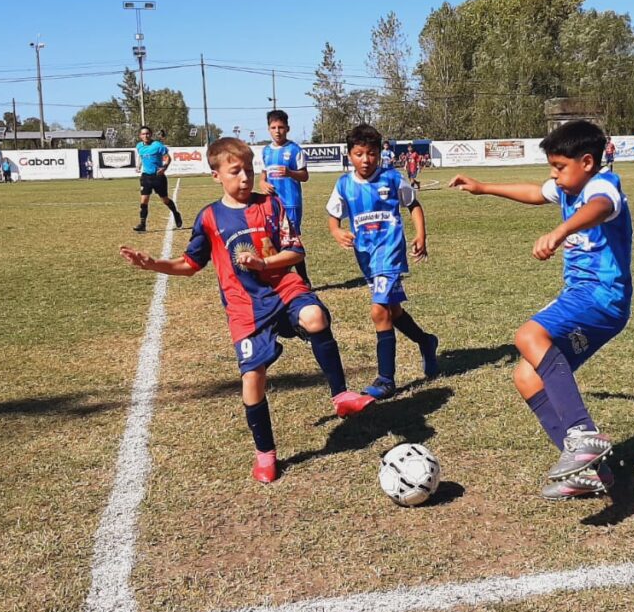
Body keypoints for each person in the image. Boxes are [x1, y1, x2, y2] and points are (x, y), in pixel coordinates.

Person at [120, 138, 374, 483]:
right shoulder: (209, 217)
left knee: (316, 318)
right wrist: (154, 265)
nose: (244, 178)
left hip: (283, 287)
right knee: (253, 380)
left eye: (249, 170)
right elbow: (190, 263)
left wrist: (263, 261)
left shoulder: (271, 205)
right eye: (235, 171)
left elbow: (296, 252)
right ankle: (265, 453)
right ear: (216, 175)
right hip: (245, 306)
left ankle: (341, 395)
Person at [449, 120, 632, 501]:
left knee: (528, 335)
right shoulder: (569, 186)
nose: (554, 175)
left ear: (586, 161)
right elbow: (534, 192)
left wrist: (560, 231)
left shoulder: (602, 186)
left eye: (560, 167)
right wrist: (483, 188)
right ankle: (592, 473)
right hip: (585, 298)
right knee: (528, 378)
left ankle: (583, 435)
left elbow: (600, 208)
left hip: (601, 295)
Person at [327, 124, 439, 399]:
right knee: (393, 312)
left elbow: (413, 205)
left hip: (390, 253)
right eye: (359, 154)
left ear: (379, 154)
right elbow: (333, 215)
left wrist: (421, 235)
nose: (366, 160)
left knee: (379, 312)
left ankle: (386, 379)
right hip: (366, 256)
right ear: (349, 155)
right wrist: (337, 231)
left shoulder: (391, 178)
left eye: (372, 153)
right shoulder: (344, 184)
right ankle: (426, 341)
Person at [260, 110, 311, 286]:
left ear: (287, 128)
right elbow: (263, 173)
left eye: (281, 127)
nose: (277, 131)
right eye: (273, 127)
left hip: (291, 203)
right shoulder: (266, 151)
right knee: (274, 239)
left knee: (290, 240)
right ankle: (282, 278)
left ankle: (303, 279)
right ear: (268, 129)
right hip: (272, 203)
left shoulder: (294, 150)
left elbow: (304, 176)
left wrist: (290, 172)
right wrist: (262, 183)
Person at [133, 126, 183, 232]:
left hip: (158, 177)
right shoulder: (139, 146)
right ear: (140, 136)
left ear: (150, 134)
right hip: (146, 176)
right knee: (144, 201)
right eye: (143, 134)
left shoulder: (157, 145)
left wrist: (164, 168)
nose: (145, 135)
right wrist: (138, 166)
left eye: (147, 133)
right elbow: (141, 157)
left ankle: (175, 213)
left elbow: (168, 158)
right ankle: (142, 224)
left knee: (165, 200)